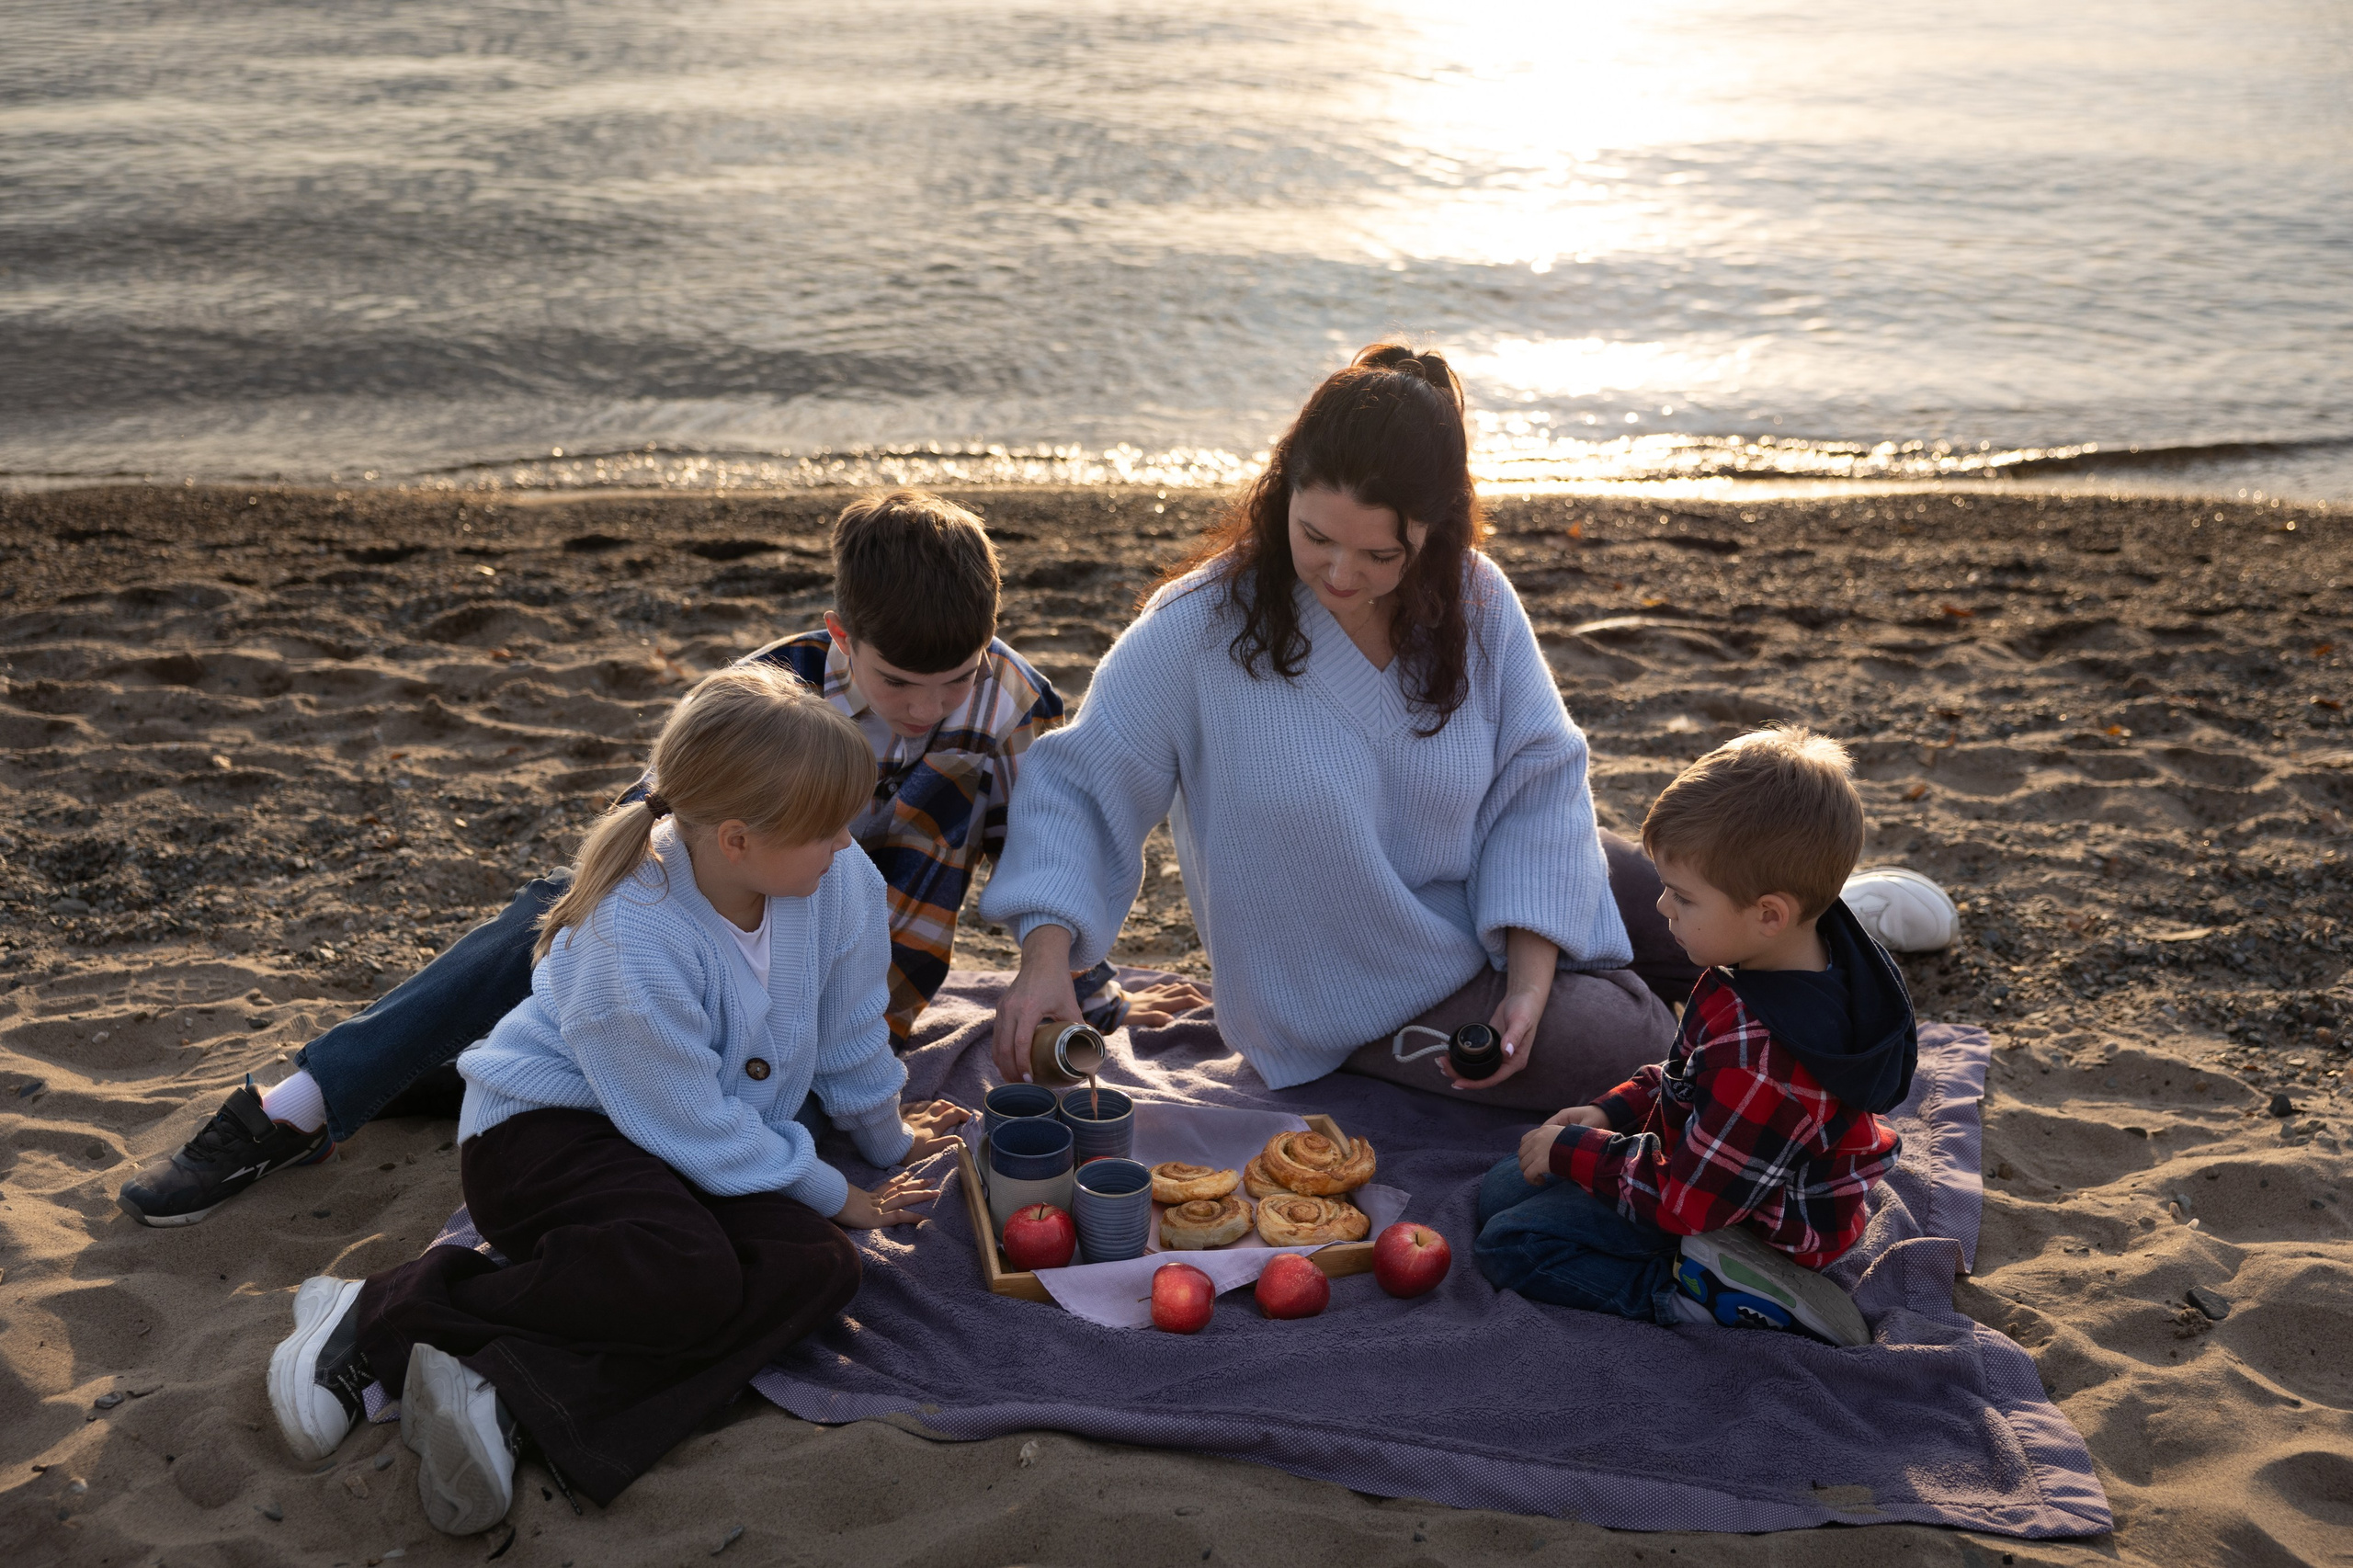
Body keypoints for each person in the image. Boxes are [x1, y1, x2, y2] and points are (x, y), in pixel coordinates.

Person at [119, 489, 1199, 1227]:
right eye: (896, 682)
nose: (925, 708)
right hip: (700, 946)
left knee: (694, 1112)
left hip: (846, 996)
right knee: (558, 907)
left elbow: (1048, 843)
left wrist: (1084, 980)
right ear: (840, 636)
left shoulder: (1007, 698)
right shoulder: (771, 688)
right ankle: (302, 1102)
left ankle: (455, 1072)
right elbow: (644, 837)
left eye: (953, 678)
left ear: (991, 643)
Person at [266, 664, 965, 1533]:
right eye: (825, 831)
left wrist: (888, 1139)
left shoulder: (840, 880)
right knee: (686, 1270)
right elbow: (685, 1121)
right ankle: (382, 1309)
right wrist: (834, 1189)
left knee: (816, 1267)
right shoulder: (631, 928)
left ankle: (511, 1393)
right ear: (737, 840)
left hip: (689, 1144)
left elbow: (853, 1029)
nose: (846, 844)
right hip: (545, 1138)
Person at [983, 343, 1686, 1108]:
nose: (1343, 574)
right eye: (1316, 537)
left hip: (1482, 882)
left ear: (1435, 528)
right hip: (1357, 985)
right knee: (1637, 1046)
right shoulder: (1197, 626)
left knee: (1707, 899)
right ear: (1282, 489)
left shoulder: (1476, 600)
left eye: (1380, 553)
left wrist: (1529, 978)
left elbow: (1538, 780)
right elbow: (1083, 789)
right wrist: (1045, 960)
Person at [1473, 728, 1918, 1346]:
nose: (1662, 907)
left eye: (1682, 897)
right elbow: (1690, 1075)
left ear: (1769, 914)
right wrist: (1613, 1110)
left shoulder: (1765, 1061)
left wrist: (1579, 1152)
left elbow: (1688, 1201)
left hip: (1745, 1223)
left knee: (1510, 1244)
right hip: (1715, 1169)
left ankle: (1700, 1294)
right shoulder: (1772, 959)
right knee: (1503, 1187)